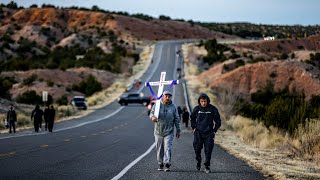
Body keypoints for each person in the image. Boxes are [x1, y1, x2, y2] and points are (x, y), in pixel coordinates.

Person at [149, 91, 181, 172]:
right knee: (159, 149)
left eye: (169, 96)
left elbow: (177, 119)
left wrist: (178, 130)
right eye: (166, 96)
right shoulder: (157, 105)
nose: (167, 98)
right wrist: (152, 117)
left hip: (169, 131)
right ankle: (160, 163)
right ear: (163, 96)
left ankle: (167, 164)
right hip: (158, 131)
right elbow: (151, 113)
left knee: (168, 148)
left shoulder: (173, 107)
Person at [190, 93, 221, 173]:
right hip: (198, 133)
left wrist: (214, 130)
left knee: (208, 150)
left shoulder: (212, 109)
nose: (204, 103)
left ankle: (207, 166)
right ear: (199, 102)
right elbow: (192, 118)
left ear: (208, 101)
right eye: (202, 101)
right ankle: (198, 160)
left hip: (209, 133)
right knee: (197, 149)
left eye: (205, 101)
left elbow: (218, 121)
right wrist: (193, 127)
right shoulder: (197, 109)